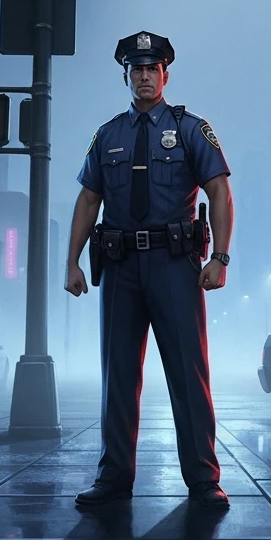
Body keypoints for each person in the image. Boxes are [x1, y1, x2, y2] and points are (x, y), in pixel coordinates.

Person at [65, 30, 234, 509]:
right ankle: (114, 479)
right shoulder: (108, 134)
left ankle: (203, 480)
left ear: (165, 74)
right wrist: (72, 261)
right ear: (127, 75)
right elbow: (89, 198)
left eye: (152, 69)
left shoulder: (189, 129)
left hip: (175, 266)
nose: (144, 76)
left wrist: (219, 257)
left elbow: (219, 190)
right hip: (120, 267)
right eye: (136, 69)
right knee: (118, 376)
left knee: (188, 373)